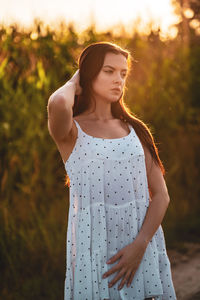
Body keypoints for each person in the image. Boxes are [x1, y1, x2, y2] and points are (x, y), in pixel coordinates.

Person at [47, 41, 177, 300]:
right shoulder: (72, 132)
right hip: (94, 255)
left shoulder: (135, 130)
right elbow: (58, 102)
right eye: (108, 71)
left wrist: (139, 246)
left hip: (141, 249)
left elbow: (161, 195)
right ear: (89, 74)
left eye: (123, 73)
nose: (118, 80)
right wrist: (77, 79)